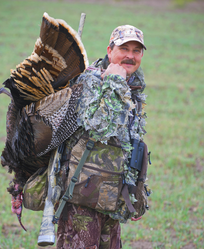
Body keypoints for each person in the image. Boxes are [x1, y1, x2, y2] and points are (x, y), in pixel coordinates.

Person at [56, 24, 148, 249]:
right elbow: (98, 128)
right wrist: (114, 83)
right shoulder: (89, 81)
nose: (130, 55)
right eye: (123, 48)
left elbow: (129, 142)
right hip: (80, 198)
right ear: (109, 50)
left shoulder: (133, 87)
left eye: (136, 50)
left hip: (111, 197)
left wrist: (135, 191)